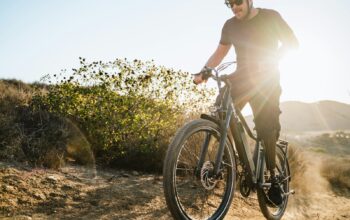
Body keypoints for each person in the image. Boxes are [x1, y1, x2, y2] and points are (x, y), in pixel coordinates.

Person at [193, 0, 298, 205]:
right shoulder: (230, 25)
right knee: (220, 111)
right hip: (241, 78)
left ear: (249, 0)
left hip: (266, 79)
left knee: (266, 128)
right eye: (229, 4)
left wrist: (273, 58)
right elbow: (220, 52)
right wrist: (204, 71)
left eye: (238, 2)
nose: (234, 7)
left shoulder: (270, 17)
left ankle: (273, 178)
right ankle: (228, 161)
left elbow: (292, 44)